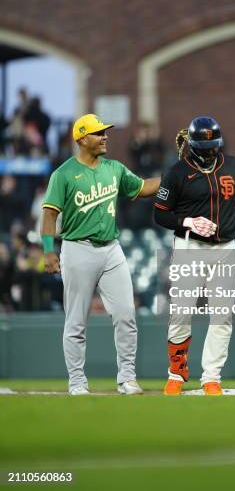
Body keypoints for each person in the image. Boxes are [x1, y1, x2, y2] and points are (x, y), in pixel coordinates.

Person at [41, 113, 160, 396]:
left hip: (111, 249)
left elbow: (142, 188)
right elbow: (49, 215)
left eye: (104, 132)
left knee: (126, 314)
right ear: (82, 138)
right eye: (98, 133)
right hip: (77, 248)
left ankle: (127, 378)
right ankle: (77, 382)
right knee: (76, 321)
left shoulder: (114, 168)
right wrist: (48, 251)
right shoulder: (64, 174)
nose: (105, 136)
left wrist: (173, 178)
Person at [154, 116, 235, 396]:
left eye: (213, 146)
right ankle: (176, 373)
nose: (209, 152)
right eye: (203, 147)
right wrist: (188, 222)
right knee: (181, 313)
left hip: (225, 249)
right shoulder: (177, 172)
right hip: (189, 248)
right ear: (191, 145)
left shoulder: (233, 165)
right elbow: (160, 213)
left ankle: (211, 377)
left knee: (222, 317)